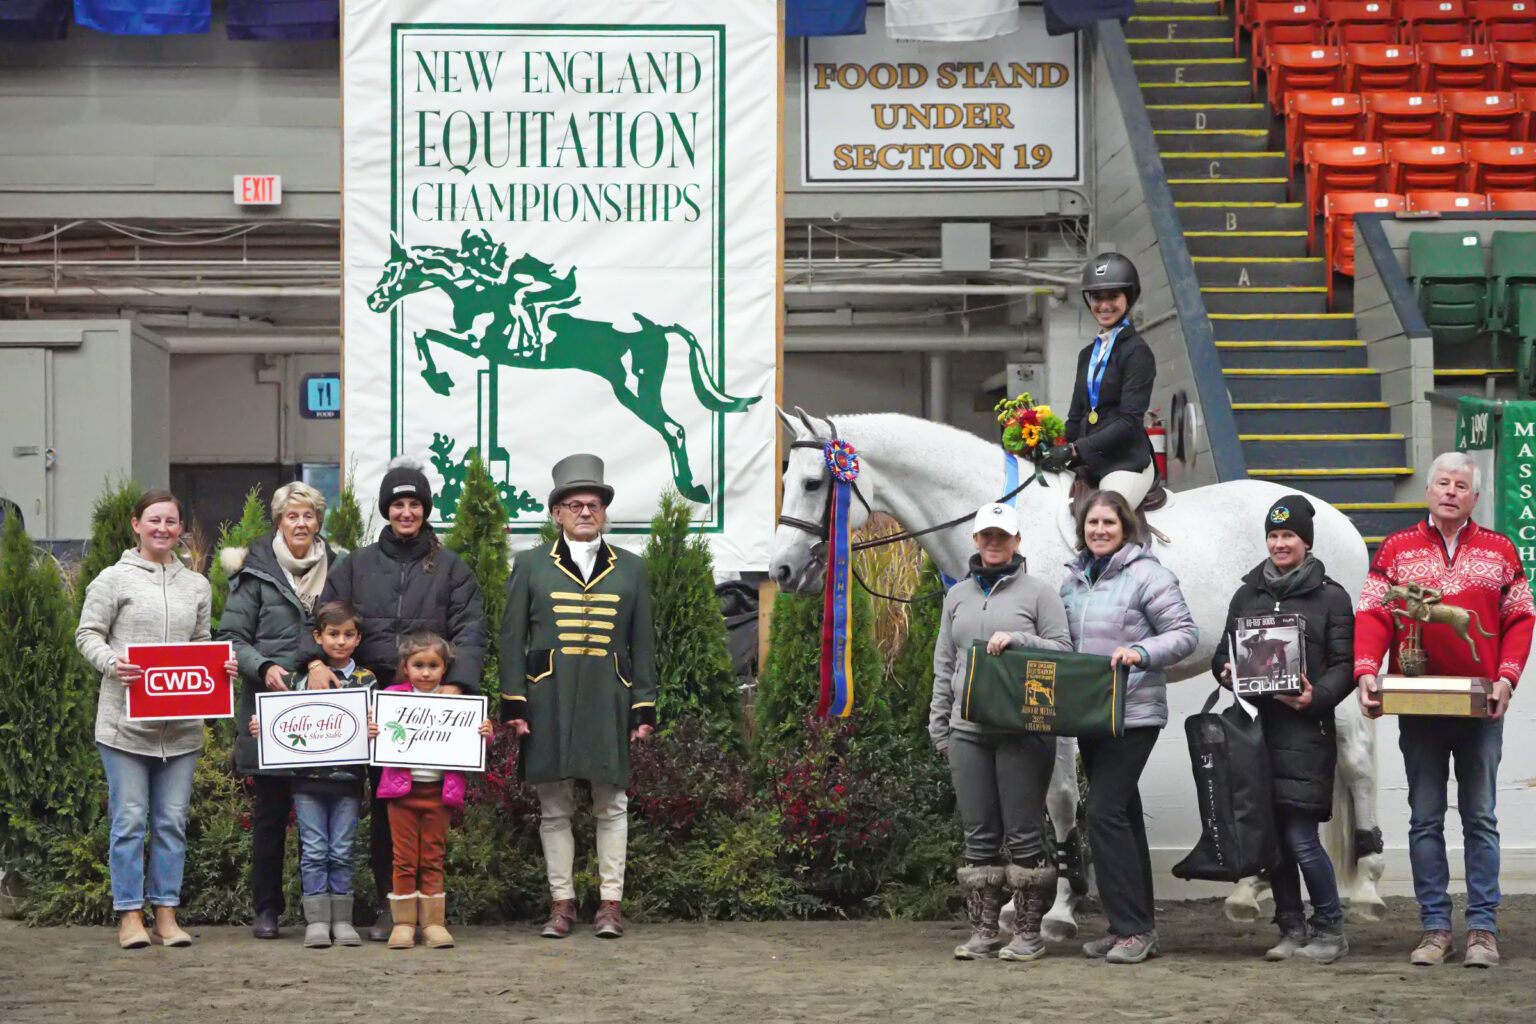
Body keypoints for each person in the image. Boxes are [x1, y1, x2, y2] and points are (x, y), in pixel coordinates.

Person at [1356, 451, 1534, 968]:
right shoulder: (1396, 549)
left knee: (1480, 818)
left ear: (1475, 497)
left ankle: (1483, 929)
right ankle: (1435, 928)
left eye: (1461, 485)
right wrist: (1367, 669)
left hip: (1482, 711)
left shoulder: (1501, 550)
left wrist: (1507, 678)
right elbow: (1372, 610)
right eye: (1442, 483)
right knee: (1424, 819)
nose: (1451, 491)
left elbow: (1520, 618)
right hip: (1420, 709)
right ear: (1428, 491)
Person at [299, 457, 486, 941]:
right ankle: (392, 906)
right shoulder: (356, 564)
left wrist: (457, 684)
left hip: (430, 701)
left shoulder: (452, 569)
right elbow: (325, 619)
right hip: (371, 698)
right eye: (398, 504)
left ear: (425, 510)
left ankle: (427, 912)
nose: (406, 512)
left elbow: (470, 629)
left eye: (415, 504)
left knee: (427, 808)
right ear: (386, 509)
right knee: (385, 807)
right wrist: (315, 664)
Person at [499, 454, 658, 940]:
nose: (586, 512)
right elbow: (510, 639)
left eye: (594, 504)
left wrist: (644, 705)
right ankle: (562, 903)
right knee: (554, 806)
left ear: (604, 512)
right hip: (547, 699)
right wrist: (514, 703)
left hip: (610, 697)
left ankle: (610, 905)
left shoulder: (633, 569)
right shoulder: (528, 565)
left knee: (612, 802)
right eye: (575, 504)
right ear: (557, 514)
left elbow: (643, 642)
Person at [75, 489, 239, 950]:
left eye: (171, 522)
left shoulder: (197, 585)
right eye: (154, 520)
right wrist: (112, 663)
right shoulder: (113, 580)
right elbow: (87, 633)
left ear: (180, 528)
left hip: (182, 730)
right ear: (136, 525)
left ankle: (166, 914)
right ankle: (130, 916)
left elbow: (203, 642)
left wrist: (220, 668)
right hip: (124, 727)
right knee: (128, 821)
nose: (163, 529)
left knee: (171, 822)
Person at [1212, 496, 1356, 964]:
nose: (1279, 544)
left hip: (1305, 733)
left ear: (1305, 542)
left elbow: (1345, 665)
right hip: (1255, 734)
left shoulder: (1332, 596)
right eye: (1273, 536)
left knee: (1300, 838)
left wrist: (1317, 696)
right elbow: (1222, 655)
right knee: (1272, 841)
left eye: (1288, 536)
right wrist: (1227, 673)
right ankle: (1291, 928)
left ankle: (1330, 929)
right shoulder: (1246, 594)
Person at [929, 503, 1073, 962]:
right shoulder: (957, 597)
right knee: (978, 836)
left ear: (1016, 542)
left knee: (1025, 833)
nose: (994, 544)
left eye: (1002, 536)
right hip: (966, 731)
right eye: (986, 536)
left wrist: (1020, 640)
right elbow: (944, 665)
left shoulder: (1039, 594)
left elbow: (1064, 651)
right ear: (976, 541)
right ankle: (984, 931)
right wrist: (939, 726)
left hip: (1023, 728)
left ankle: (1027, 933)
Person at [1058, 489, 1197, 964]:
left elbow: (1184, 634)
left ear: (1126, 528)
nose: (1099, 530)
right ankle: (1129, 928)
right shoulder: (1074, 581)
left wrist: (1140, 653)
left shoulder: (1148, 575)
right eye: (1092, 523)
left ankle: (1134, 928)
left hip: (1134, 711)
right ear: (1082, 528)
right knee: (1123, 816)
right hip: (1090, 713)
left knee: (1102, 812)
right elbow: (1063, 642)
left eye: (1108, 524)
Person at [218, 480, 340, 940]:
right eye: (292, 516)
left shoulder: (340, 567)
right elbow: (230, 639)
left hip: (325, 711)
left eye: (308, 515)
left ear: (319, 521)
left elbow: (348, 629)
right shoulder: (254, 574)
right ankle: (266, 909)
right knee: (271, 816)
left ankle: (325, 912)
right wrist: (264, 665)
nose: (301, 524)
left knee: (330, 816)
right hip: (266, 708)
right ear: (278, 521)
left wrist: (321, 662)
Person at [246, 600, 375, 948]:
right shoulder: (299, 680)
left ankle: (343, 919)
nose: (340, 641)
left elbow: (377, 724)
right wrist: (266, 727)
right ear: (317, 637)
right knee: (315, 850)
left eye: (348, 634)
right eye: (332, 634)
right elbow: (282, 721)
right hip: (306, 782)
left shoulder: (367, 680)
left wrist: (374, 729)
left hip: (349, 781)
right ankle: (317, 920)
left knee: (343, 849)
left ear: (359, 639)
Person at [369, 632, 494, 950]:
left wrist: (485, 732)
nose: (426, 672)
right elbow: (376, 737)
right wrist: (372, 730)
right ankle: (404, 924)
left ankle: (434, 923)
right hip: (401, 794)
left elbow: (474, 743)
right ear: (405, 667)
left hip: (440, 793)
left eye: (433, 666)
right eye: (418, 665)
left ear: (445, 668)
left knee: (433, 858)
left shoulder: (457, 701)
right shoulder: (392, 696)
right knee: (404, 860)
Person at [1039, 253, 1158, 511]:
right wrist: (1051, 447)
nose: (1104, 305)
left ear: (1129, 298)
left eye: (1113, 297)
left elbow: (1128, 422)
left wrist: (1073, 450)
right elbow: (1075, 417)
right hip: (1089, 463)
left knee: (1103, 518)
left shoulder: (1137, 352)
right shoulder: (1087, 355)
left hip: (1125, 464)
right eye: (1097, 298)